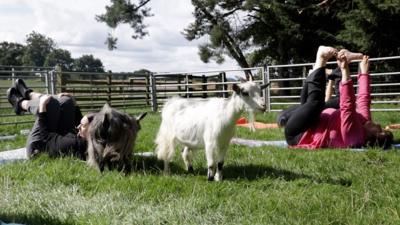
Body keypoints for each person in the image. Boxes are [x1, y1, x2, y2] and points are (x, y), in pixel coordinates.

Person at [277, 46, 393, 149]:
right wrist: (364, 73)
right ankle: (321, 65)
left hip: (298, 134)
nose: (378, 124)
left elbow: (348, 105)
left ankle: (321, 59)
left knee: (316, 104)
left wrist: (345, 70)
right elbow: (363, 100)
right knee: (322, 103)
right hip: (312, 122)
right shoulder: (365, 123)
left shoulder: (354, 136)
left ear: (376, 136)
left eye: (380, 129)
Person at [6, 79, 96, 159]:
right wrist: (74, 104)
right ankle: (28, 94)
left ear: (92, 132)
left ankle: (20, 103)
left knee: (50, 104)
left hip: (40, 145)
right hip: (58, 136)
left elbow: (46, 136)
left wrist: (42, 108)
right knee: (67, 101)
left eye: (82, 126)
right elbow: (81, 122)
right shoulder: (93, 138)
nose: (78, 126)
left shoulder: (73, 144)